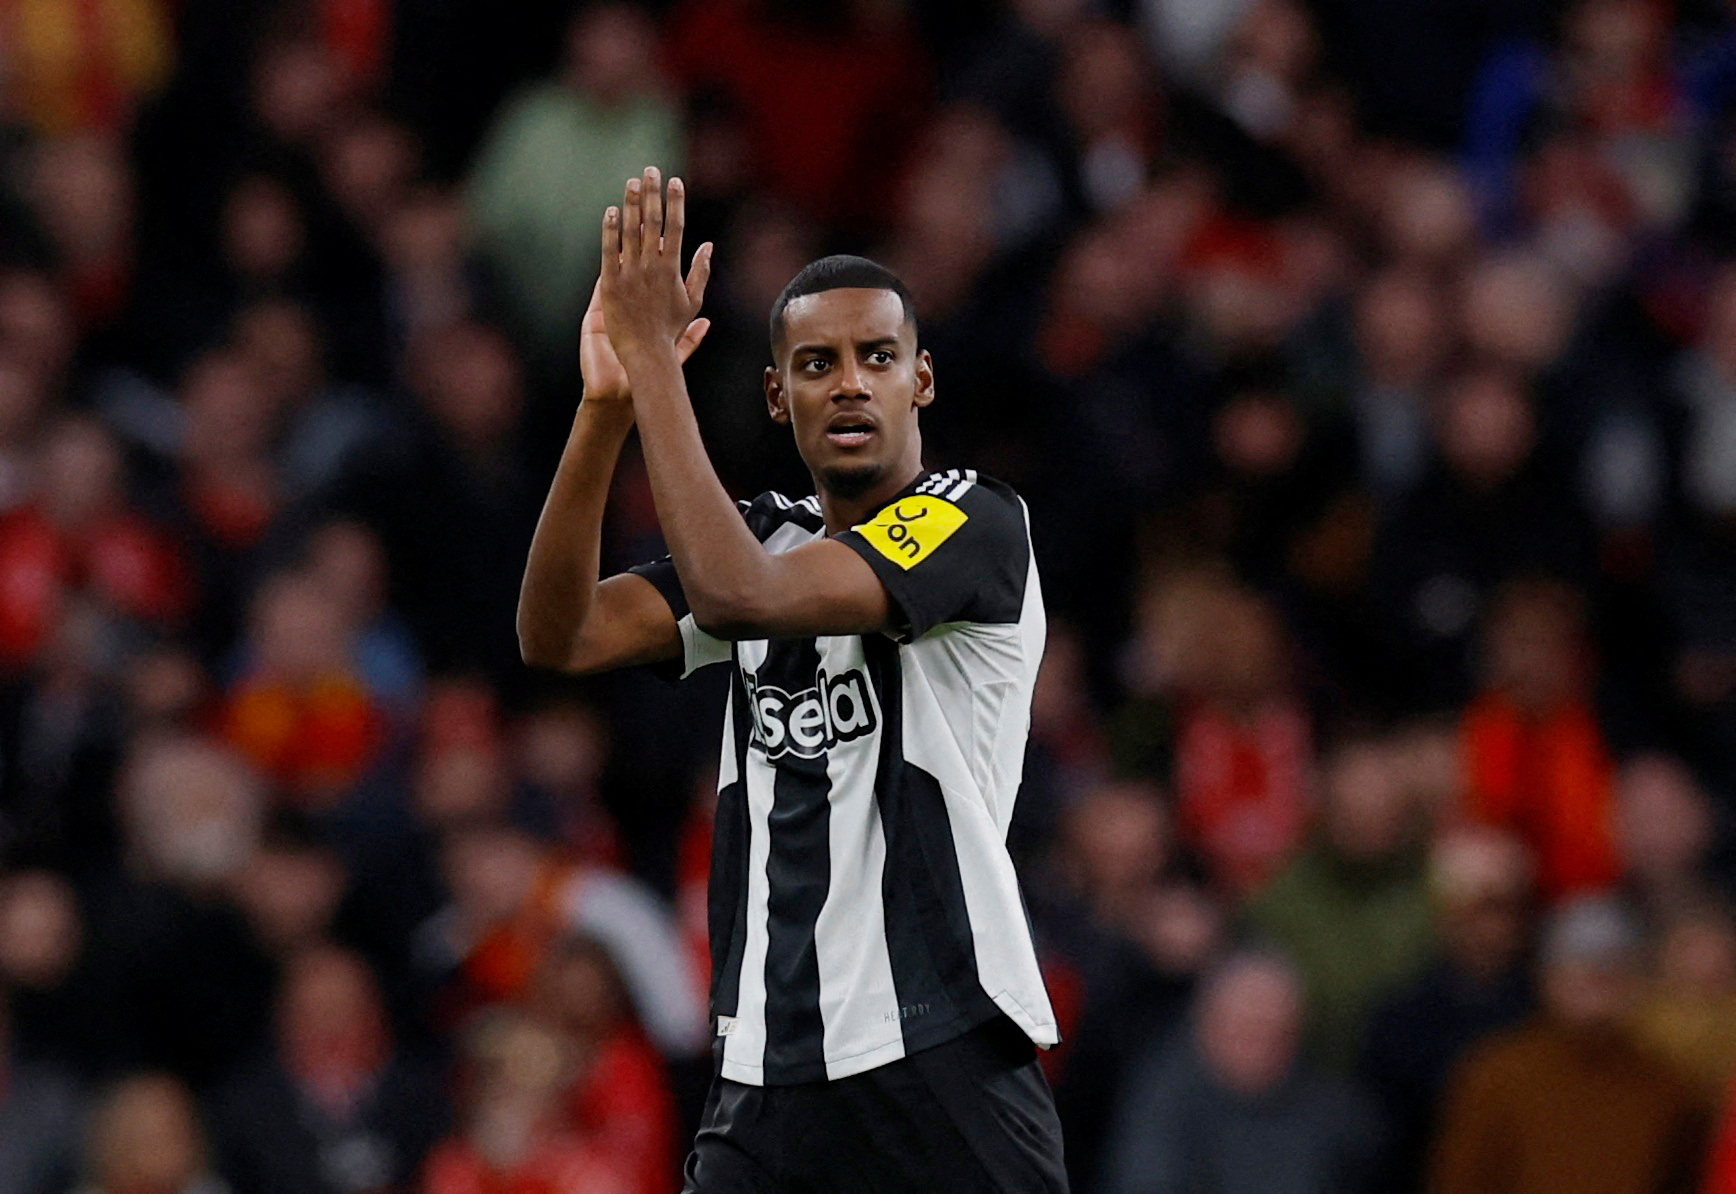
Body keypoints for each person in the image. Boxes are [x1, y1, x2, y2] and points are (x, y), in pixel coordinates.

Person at [518, 168, 1066, 1191]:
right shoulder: (762, 534)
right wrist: (606, 411)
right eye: (816, 363)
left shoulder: (974, 521)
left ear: (922, 381)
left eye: (876, 357)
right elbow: (563, 635)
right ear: (777, 395)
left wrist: (656, 369)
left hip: (938, 1053)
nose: (849, 382)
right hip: (763, 1073)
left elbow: (742, 601)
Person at [1428, 896, 1703, 1194]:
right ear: (1547, 978)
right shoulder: (1496, 1076)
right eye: (1577, 969)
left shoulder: (1665, 1089)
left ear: (1637, 981)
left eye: (1610, 971)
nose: (1593, 983)